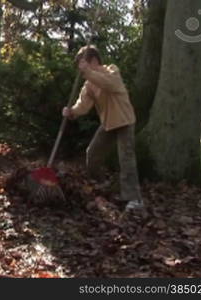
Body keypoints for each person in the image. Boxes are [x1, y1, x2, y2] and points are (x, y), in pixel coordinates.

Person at [62, 45, 144, 211]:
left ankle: (134, 199)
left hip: (124, 120)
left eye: (83, 64)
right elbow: (83, 105)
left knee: (126, 159)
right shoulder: (89, 84)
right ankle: (103, 184)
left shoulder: (111, 70)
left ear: (93, 61)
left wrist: (90, 73)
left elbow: (110, 85)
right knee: (92, 154)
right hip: (108, 123)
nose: (81, 69)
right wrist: (71, 111)